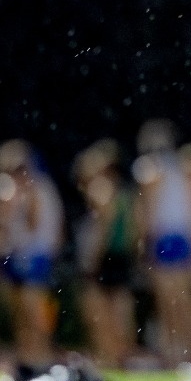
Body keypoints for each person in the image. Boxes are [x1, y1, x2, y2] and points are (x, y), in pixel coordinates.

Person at [134, 120, 191, 366]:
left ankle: (175, 355)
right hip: (182, 236)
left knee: (169, 303)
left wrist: (143, 243)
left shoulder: (149, 168)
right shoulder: (181, 167)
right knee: (185, 300)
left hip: (165, 238)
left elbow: (148, 211)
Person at [0, 139, 62, 365]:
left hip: (35, 254)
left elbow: (33, 224)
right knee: (19, 310)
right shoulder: (8, 189)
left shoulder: (39, 188)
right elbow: (1, 225)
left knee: (35, 308)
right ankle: (27, 355)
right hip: (15, 254)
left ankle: (43, 354)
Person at [74, 139, 138, 368]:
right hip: (121, 256)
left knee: (101, 314)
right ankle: (120, 357)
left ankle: (109, 358)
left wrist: (93, 258)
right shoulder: (124, 192)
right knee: (121, 310)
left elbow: (103, 227)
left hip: (105, 258)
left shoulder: (101, 190)